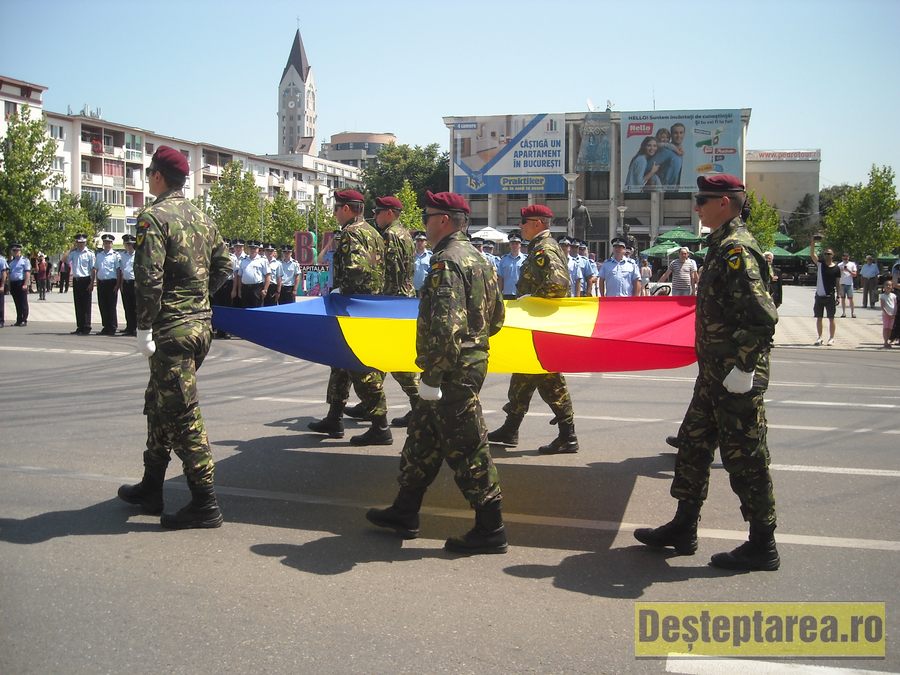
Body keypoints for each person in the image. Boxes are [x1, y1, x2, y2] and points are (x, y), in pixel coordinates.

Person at [634, 174, 780, 571]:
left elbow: (762, 318)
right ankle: (684, 526)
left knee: (746, 458)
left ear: (725, 203)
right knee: (693, 445)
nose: (697, 206)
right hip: (714, 375)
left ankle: (762, 544)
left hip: (735, 377)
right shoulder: (719, 245)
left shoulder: (737, 250)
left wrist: (744, 369)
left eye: (702, 199)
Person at [366, 190, 507, 555]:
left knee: (467, 445)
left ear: (444, 220)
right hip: (466, 362)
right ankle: (405, 510)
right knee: (422, 438)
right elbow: (497, 318)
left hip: (450, 370)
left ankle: (491, 527)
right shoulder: (480, 258)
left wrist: (433, 376)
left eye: (427, 217)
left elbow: (446, 327)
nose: (424, 225)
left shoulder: (447, 261)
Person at [118, 145, 232, 530]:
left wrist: (143, 326)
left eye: (148, 173)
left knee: (182, 414)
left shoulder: (153, 217)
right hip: (199, 327)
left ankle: (205, 502)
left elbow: (148, 278)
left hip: (171, 331)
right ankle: (152, 486)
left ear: (157, 176)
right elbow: (225, 266)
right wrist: (198, 299)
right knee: (159, 402)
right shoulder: (203, 218)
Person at [488, 205, 580, 455]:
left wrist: (531, 300)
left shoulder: (544, 248)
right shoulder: (541, 246)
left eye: (524, 222)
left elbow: (558, 285)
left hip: (541, 325)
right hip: (535, 325)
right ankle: (511, 428)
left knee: (550, 380)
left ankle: (568, 435)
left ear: (537, 223)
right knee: (523, 376)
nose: (521, 226)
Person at [307, 189, 390, 446]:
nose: (334, 213)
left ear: (345, 208)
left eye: (335, 208)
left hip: (354, 309)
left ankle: (380, 426)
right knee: (340, 365)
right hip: (369, 306)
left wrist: (341, 290)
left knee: (359, 368)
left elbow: (356, 269)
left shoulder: (351, 234)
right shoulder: (373, 233)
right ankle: (334, 417)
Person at [366, 194, 420, 429]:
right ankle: (372, 402)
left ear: (389, 213)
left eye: (378, 212)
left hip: (392, 301)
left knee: (392, 359)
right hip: (401, 299)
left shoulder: (390, 235)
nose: (375, 216)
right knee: (385, 358)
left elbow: (390, 271)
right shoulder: (405, 234)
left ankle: (419, 406)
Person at [810, 237, 841, 346]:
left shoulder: (836, 268)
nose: (827, 255)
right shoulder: (820, 264)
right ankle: (819, 337)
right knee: (819, 317)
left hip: (830, 295)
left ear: (833, 255)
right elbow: (812, 255)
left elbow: (838, 283)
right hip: (819, 295)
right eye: (826, 254)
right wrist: (813, 242)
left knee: (831, 318)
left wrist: (838, 296)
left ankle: (831, 338)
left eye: (829, 254)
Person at [94, 233, 122, 335]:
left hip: (111, 283)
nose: (107, 244)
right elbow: (97, 269)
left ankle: (112, 326)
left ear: (112, 244)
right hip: (101, 283)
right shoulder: (99, 255)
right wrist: (97, 282)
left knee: (111, 306)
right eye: (105, 243)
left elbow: (118, 270)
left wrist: (118, 284)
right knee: (103, 305)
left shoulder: (115, 256)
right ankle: (106, 326)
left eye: (109, 243)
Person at [67, 233, 95, 334]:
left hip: (86, 280)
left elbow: (93, 269)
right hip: (77, 280)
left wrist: (92, 283)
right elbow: (64, 260)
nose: (81, 244)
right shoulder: (74, 253)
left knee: (86, 305)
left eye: (82, 243)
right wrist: (70, 249)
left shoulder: (90, 254)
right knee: (78, 304)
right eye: (79, 243)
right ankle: (80, 326)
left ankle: (87, 327)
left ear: (85, 243)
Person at [234, 241, 270, 308]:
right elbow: (239, 276)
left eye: (255, 248)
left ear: (258, 249)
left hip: (257, 288)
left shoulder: (263, 260)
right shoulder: (243, 260)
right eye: (251, 248)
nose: (252, 250)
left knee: (257, 309)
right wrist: (239, 290)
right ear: (248, 249)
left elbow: (267, 276)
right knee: (245, 308)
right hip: (245, 288)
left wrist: (265, 289)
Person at [497, 230, 527, 300]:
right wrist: (499, 294)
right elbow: (500, 278)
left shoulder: (525, 260)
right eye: (512, 243)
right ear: (509, 245)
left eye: (516, 243)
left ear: (520, 245)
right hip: (507, 293)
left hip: (522, 294)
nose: (514, 246)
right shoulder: (503, 260)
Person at [7, 243, 31, 326]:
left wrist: (25, 284)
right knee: (17, 303)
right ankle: (19, 320)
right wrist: (9, 285)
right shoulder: (11, 262)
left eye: (16, 250)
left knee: (23, 302)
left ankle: (24, 320)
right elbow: (9, 275)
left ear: (20, 251)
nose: (15, 252)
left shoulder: (25, 260)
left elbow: (27, 273)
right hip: (13, 283)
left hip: (21, 283)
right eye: (13, 251)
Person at [119, 234, 137, 336]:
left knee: (135, 307)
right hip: (126, 283)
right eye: (127, 244)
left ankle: (136, 327)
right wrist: (121, 284)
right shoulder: (122, 255)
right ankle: (129, 327)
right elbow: (122, 271)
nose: (129, 246)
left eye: (130, 244)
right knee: (127, 306)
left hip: (135, 283)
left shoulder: (137, 255)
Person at [412, 230, 432, 296]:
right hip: (412, 290)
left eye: (422, 240)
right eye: (418, 240)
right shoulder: (411, 256)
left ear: (426, 242)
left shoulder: (430, 256)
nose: (419, 243)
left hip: (426, 289)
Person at [837, 252, 857, 318]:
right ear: (842, 258)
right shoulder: (839, 265)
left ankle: (853, 313)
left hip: (849, 284)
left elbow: (855, 274)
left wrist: (848, 270)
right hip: (842, 283)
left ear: (848, 257)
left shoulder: (852, 264)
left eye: (846, 258)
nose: (845, 259)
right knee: (843, 298)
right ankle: (843, 313)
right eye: (844, 258)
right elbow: (837, 275)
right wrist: (841, 270)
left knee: (851, 298)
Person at [880, 280, 897, 347]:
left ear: (892, 287)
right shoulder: (882, 296)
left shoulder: (894, 296)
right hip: (886, 315)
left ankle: (888, 340)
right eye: (886, 285)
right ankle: (885, 341)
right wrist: (887, 313)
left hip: (892, 315)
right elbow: (882, 306)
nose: (888, 286)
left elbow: (895, 305)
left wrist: (894, 313)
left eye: (890, 285)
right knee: (885, 328)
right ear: (884, 287)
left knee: (890, 328)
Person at [0, 250, 7, 327]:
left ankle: (1, 321)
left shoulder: (1, 260)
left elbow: (4, 273)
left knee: (0, 303)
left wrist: (2, 285)